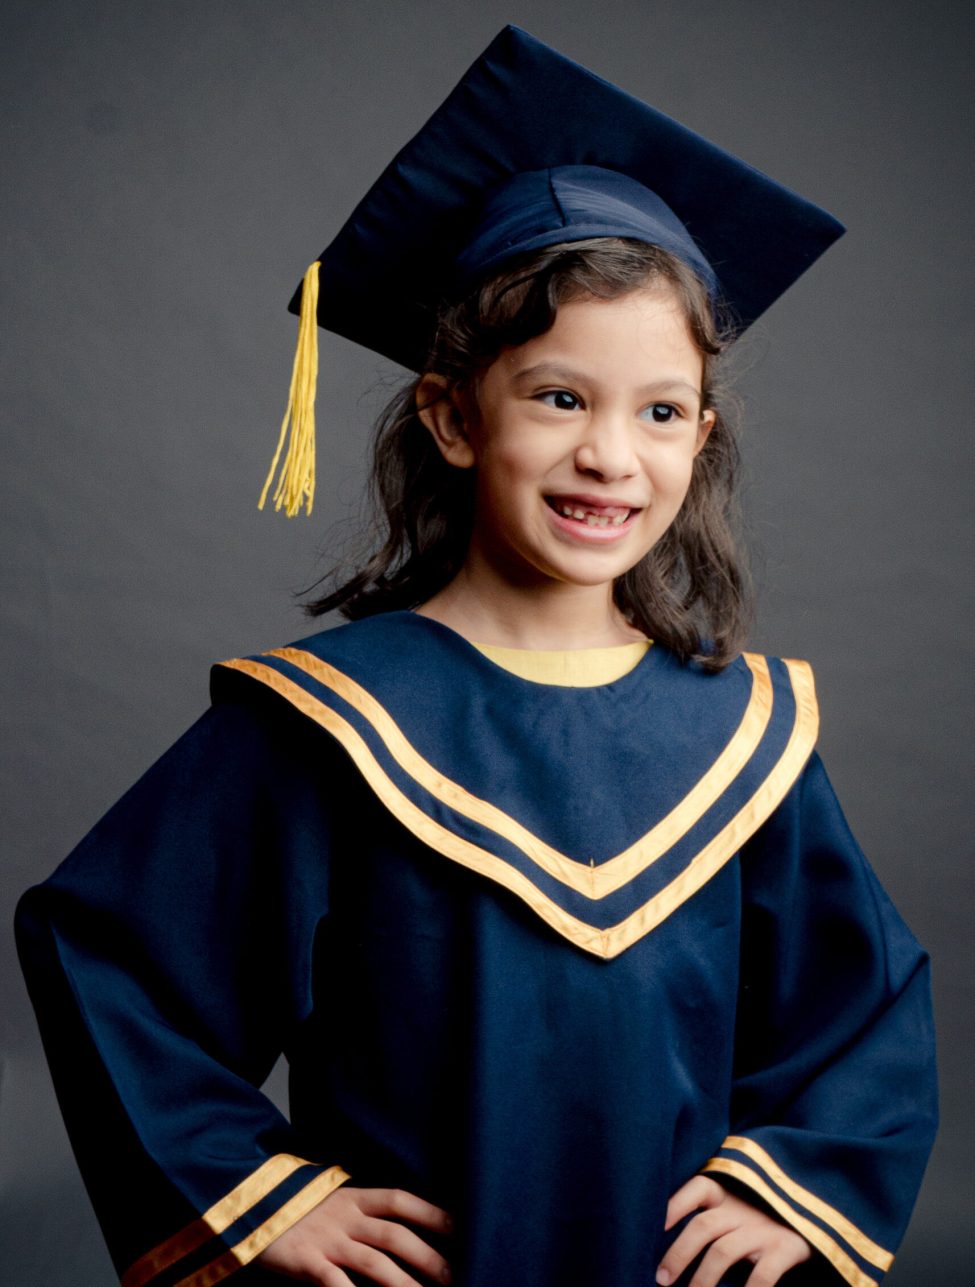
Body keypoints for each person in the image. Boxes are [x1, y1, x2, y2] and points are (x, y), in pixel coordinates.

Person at [16, 25, 937, 1287]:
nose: (613, 456)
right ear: (453, 416)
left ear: (701, 435)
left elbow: (862, 1014)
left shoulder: (743, 733)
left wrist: (799, 1190)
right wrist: (256, 1196)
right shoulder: (330, 722)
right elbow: (112, 960)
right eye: (560, 397)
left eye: (660, 411)